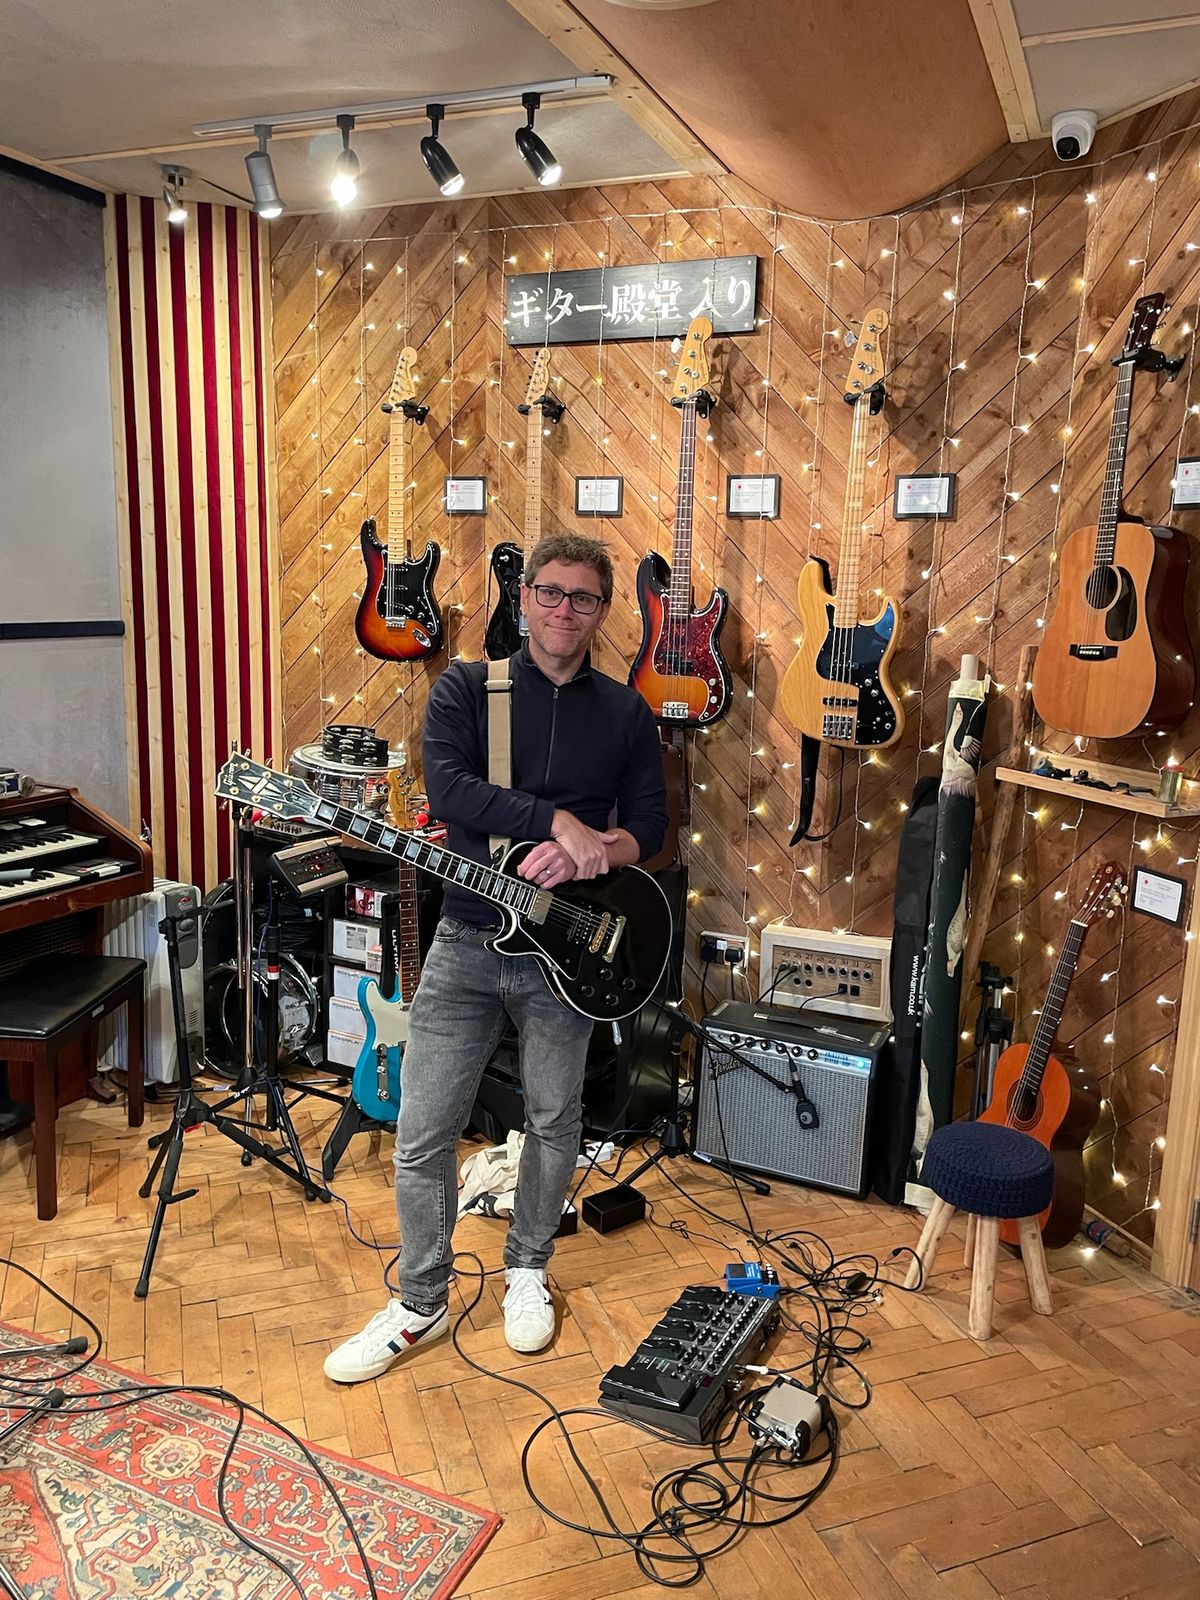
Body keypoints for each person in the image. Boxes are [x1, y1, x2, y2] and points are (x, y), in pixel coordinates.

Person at [325, 532, 667, 1382]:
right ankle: (421, 1300)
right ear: (525, 597)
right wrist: (558, 823)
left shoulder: (625, 712)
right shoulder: (468, 688)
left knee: (554, 1120)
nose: (563, 610)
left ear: (603, 610)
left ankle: (528, 1268)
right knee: (422, 1131)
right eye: (550, 592)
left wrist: (596, 854)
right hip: (469, 940)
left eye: (583, 598)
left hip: (570, 948)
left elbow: (649, 828)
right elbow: (451, 793)